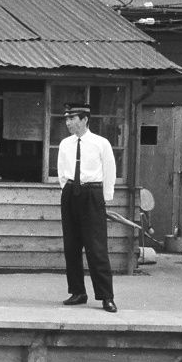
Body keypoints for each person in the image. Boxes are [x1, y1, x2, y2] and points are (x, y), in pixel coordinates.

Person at [57, 103, 117, 312]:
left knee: (96, 247)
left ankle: (106, 296)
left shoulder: (101, 143)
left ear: (84, 120)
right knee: (71, 246)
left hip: (92, 194)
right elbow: (60, 172)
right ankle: (78, 292)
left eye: (72, 119)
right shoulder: (65, 144)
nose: (68, 123)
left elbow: (110, 171)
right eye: (66, 119)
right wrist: (68, 192)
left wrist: (105, 198)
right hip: (71, 193)